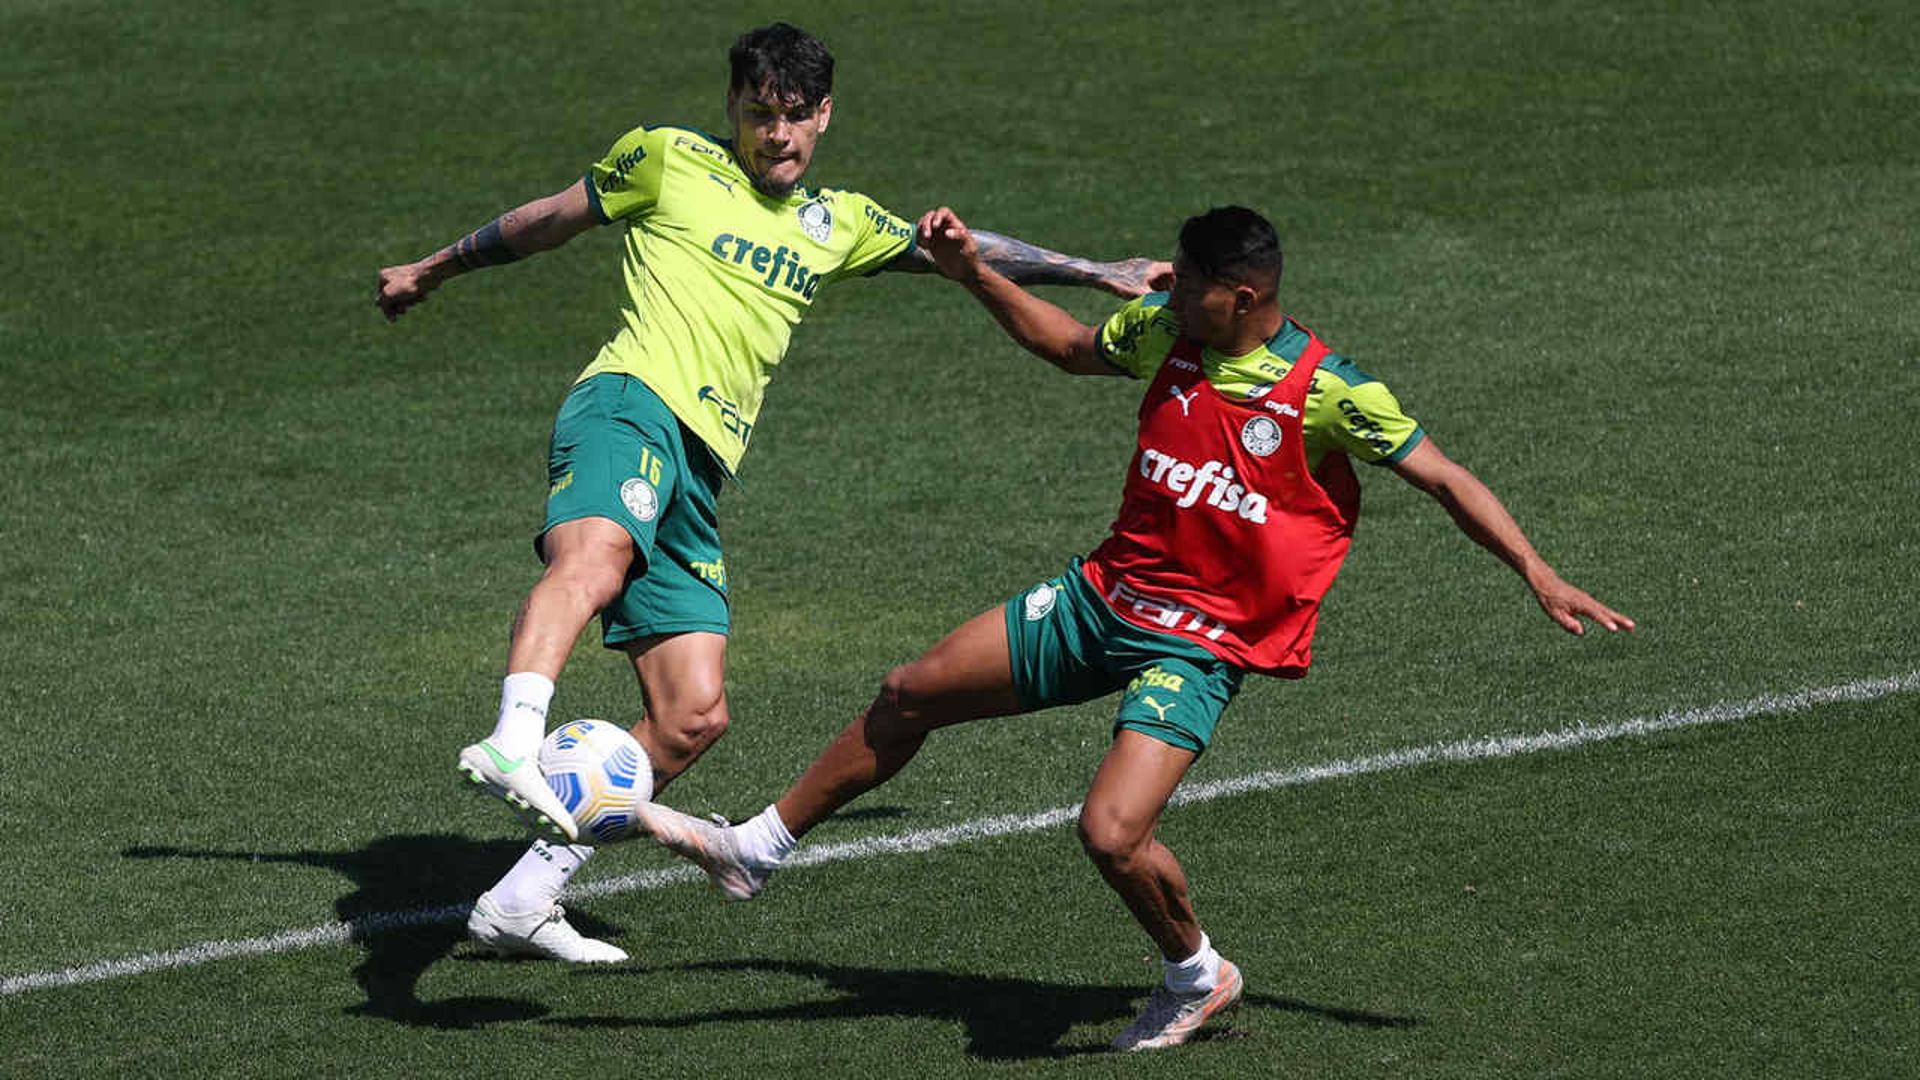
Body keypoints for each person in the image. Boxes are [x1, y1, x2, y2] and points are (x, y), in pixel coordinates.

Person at [638, 204, 1635, 1050]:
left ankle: (1196, 973)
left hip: (1198, 642)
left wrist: (1538, 572)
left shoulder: (1327, 392)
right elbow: (1066, 347)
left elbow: (1447, 477)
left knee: (1112, 834)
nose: (1168, 290)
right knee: (907, 695)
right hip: (1101, 600)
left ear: (1243, 296)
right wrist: (973, 271)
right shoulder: (1170, 333)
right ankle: (757, 849)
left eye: (1191, 281)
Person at [374, 23, 1164, 964]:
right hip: (628, 405)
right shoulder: (666, 160)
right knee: (592, 555)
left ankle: (521, 899)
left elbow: (953, 250)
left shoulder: (840, 223)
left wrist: (1097, 270)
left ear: (823, 116)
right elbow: (547, 218)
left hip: (702, 468)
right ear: (733, 111)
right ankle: (515, 734)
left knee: (691, 714)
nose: (776, 135)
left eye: (794, 117)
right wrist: (434, 267)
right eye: (759, 115)